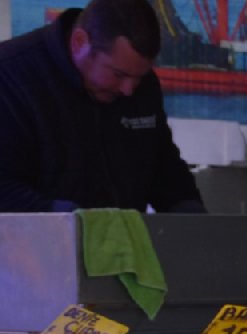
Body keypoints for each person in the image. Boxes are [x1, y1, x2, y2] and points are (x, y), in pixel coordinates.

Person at [0, 0, 205, 213]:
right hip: (39, 241)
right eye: (118, 74)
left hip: (123, 243)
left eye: (139, 77)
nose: (129, 90)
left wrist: (191, 215)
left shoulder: (142, 85)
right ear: (80, 42)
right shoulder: (9, 76)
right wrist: (80, 224)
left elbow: (164, 169)